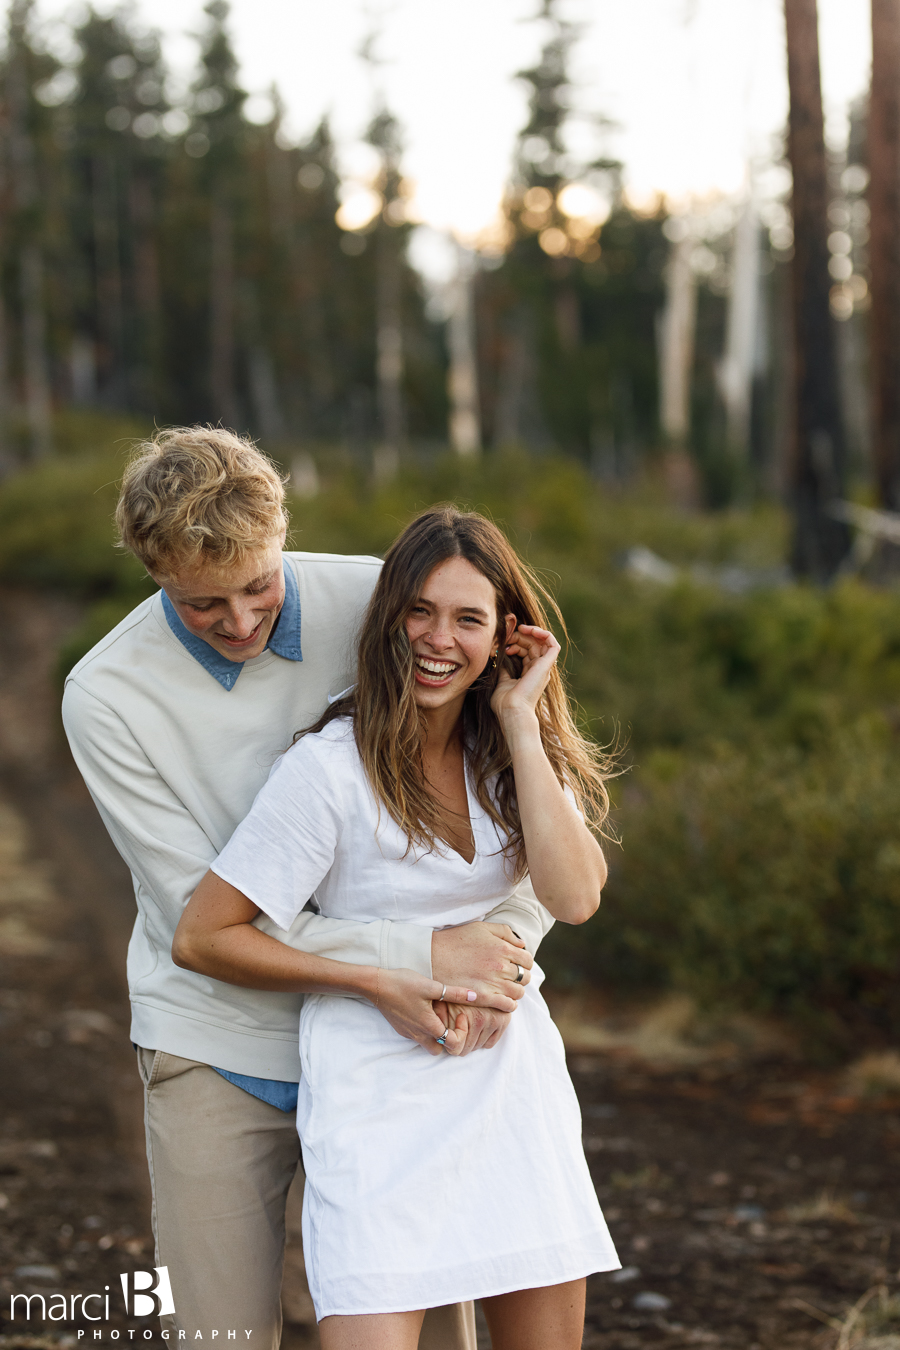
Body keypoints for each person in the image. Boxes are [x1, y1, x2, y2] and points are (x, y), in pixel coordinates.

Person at [61, 429, 553, 1350]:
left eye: (259, 586)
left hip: (402, 1046)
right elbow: (196, 924)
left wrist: (504, 948)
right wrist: (418, 955)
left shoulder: (379, 599)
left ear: (283, 533)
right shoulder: (106, 696)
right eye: (203, 603)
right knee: (219, 1336)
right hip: (221, 1042)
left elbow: (504, 809)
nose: (242, 622)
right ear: (151, 570)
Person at [173, 506, 621, 1350]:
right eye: (419, 610)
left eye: (468, 619)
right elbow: (204, 936)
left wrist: (524, 721)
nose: (438, 639)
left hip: (508, 1088)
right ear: (388, 619)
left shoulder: (506, 756)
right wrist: (375, 977)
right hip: (373, 1103)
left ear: (505, 637)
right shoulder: (328, 771)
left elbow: (575, 896)